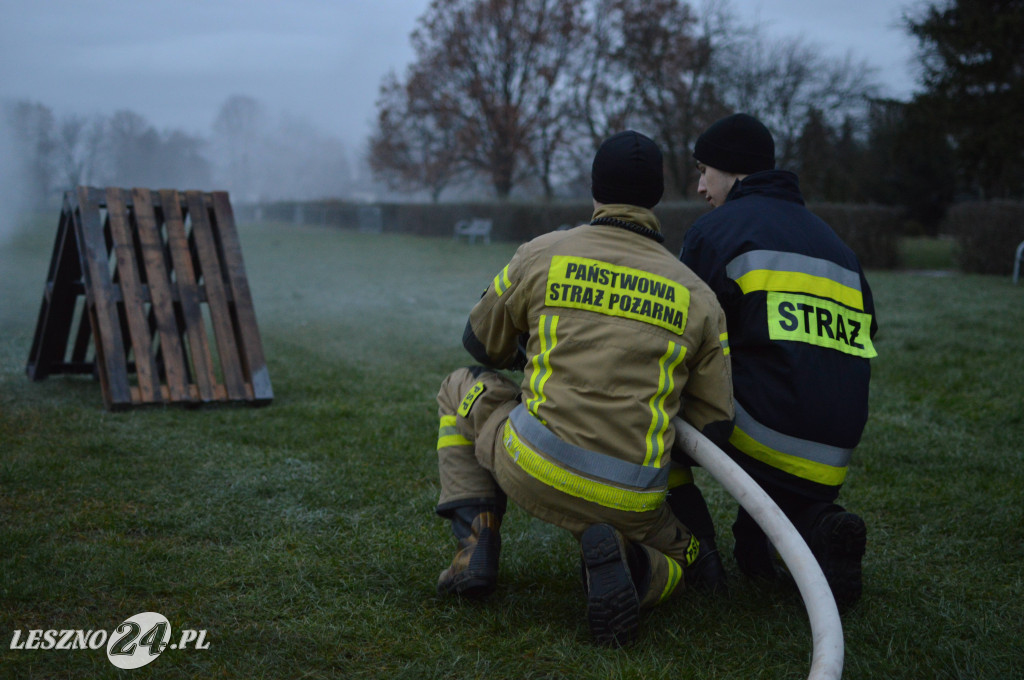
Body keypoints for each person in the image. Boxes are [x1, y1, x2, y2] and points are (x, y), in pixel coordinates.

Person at [433, 130, 734, 646]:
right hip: (634, 496)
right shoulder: (699, 296)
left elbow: (479, 345)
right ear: (657, 196)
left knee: (458, 387)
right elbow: (713, 425)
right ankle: (637, 567)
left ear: (595, 189)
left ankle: (475, 545)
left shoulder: (541, 253)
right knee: (685, 556)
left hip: (532, 464)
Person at [678, 113, 878, 612]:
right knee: (775, 524)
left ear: (734, 171)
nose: (700, 186)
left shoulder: (716, 232)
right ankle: (812, 527)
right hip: (835, 447)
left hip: (761, 431)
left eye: (705, 171)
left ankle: (691, 544)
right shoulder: (835, 244)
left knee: (649, 393)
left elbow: (676, 334)